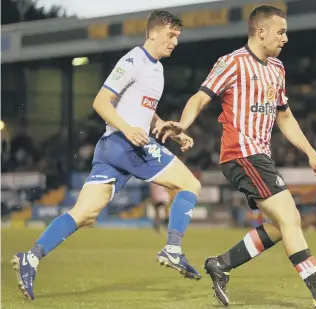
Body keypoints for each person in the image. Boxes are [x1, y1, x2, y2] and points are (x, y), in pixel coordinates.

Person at [155, 5, 316, 308]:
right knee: (291, 217)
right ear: (260, 31)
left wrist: (310, 152)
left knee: (283, 226)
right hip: (241, 153)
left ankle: (221, 264)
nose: (286, 38)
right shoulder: (232, 62)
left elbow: (286, 117)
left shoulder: (277, 70)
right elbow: (201, 96)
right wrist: (182, 125)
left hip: (259, 155)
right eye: (281, 31)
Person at [12, 11, 202, 301]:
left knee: (84, 213)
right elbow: (100, 101)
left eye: (177, 36)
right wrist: (128, 130)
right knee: (190, 185)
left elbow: (143, 110)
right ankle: (173, 248)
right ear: (152, 33)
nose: (175, 41)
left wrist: (165, 127)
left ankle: (31, 257)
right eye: (170, 35)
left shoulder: (156, 69)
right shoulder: (133, 60)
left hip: (115, 149)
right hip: (125, 144)